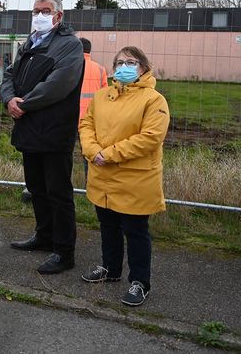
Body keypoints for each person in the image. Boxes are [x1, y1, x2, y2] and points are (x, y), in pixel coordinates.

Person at [0, 0, 84, 274]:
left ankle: (64, 251)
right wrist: (9, 99)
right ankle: (45, 236)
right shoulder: (30, 42)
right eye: (36, 11)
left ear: (58, 16)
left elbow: (58, 84)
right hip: (30, 130)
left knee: (58, 192)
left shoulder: (70, 45)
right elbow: (9, 75)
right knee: (36, 188)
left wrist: (24, 104)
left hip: (54, 130)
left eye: (45, 11)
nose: (39, 15)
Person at [79, 46, 170, 307]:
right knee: (108, 226)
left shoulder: (154, 100)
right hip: (102, 175)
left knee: (135, 231)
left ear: (144, 67)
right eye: (119, 63)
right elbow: (86, 124)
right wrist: (92, 151)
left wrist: (108, 154)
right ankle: (110, 268)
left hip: (134, 178)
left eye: (130, 62)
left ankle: (140, 282)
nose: (123, 67)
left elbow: (150, 138)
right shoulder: (102, 95)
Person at [79, 37, 108, 175]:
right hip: (92, 119)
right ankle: (89, 183)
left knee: (64, 153)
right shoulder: (100, 69)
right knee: (89, 154)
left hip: (71, 117)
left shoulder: (70, 66)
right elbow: (105, 95)